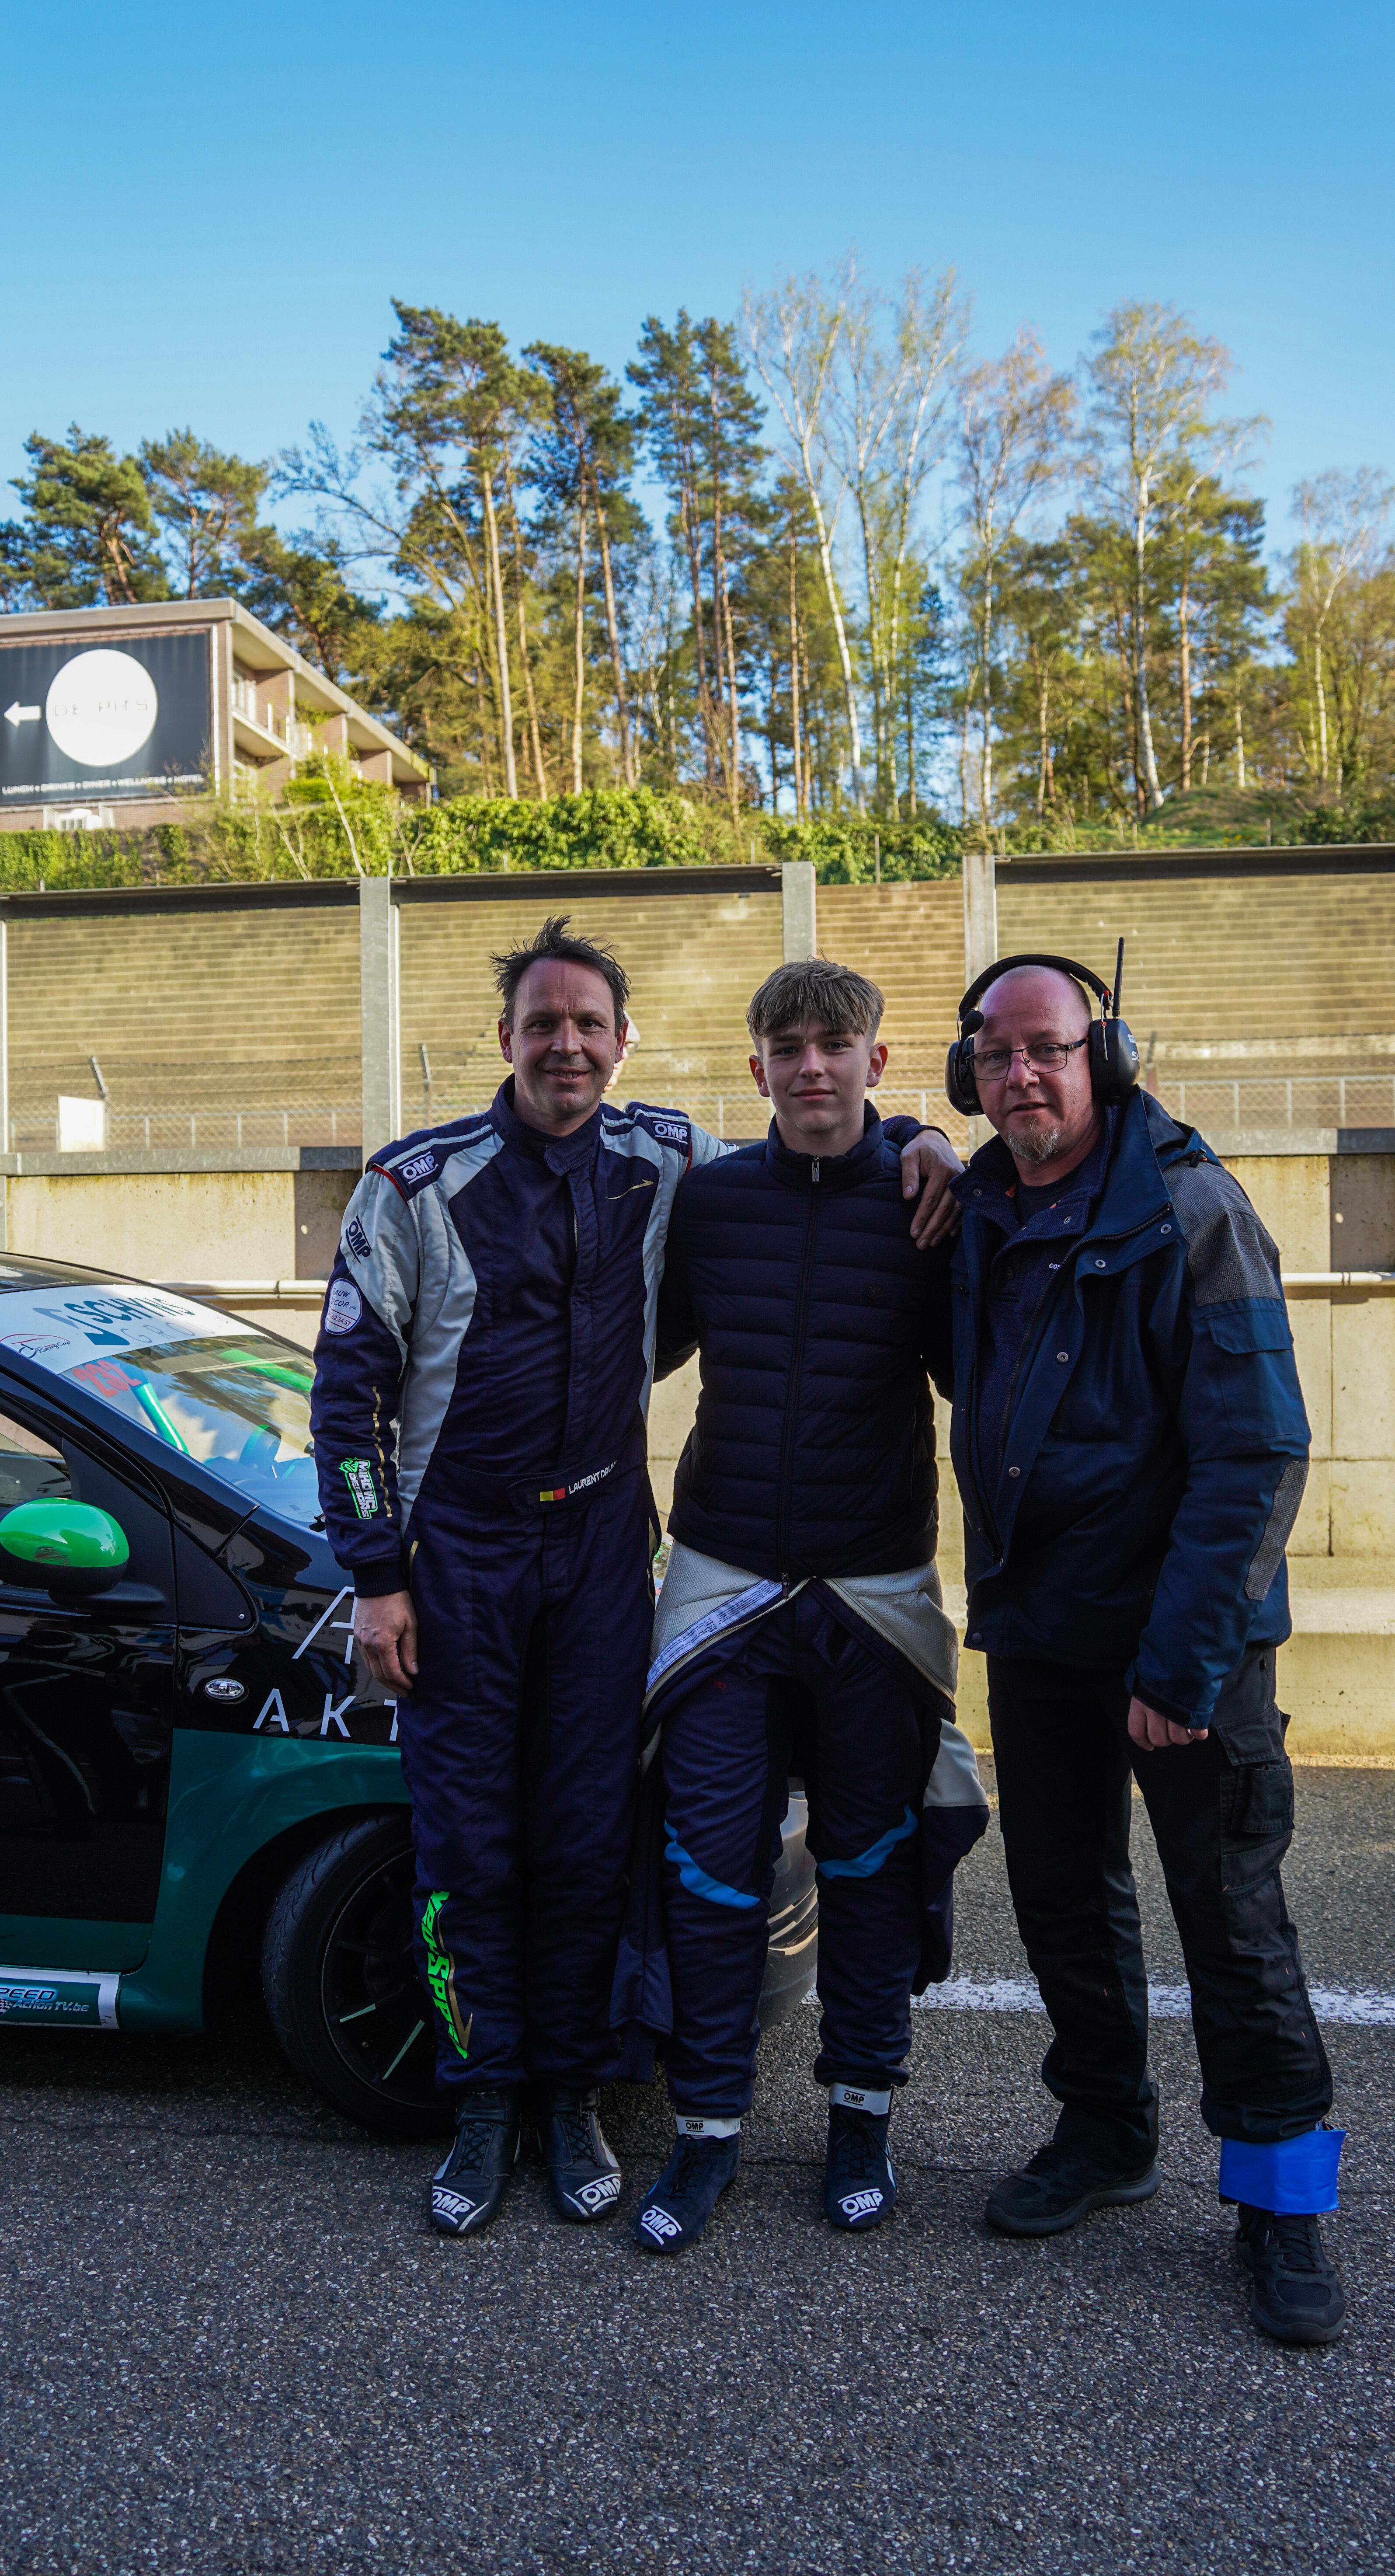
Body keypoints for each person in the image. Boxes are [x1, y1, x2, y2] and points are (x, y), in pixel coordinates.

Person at [309, 916, 961, 2238]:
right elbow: (345, 1396)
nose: (567, 1045)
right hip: (462, 1558)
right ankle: (483, 2102)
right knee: (466, 1845)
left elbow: (818, 1137)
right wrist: (379, 1579)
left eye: (589, 1025)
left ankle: (573, 2095)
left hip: (608, 1547)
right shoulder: (412, 1182)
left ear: (624, 1042)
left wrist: (925, 1137)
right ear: (504, 1039)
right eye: (542, 1024)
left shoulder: (669, 1159)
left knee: (589, 1840)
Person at [945, 952, 1345, 2347]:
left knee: (1230, 1919)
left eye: (1047, 1049)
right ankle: (1107, 2130)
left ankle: (1284, 2205)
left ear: (1102, 1059)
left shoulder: (1192, 1208)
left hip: (1184, 1646)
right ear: (969, 1076)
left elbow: (1258, 1451)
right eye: (996, 1055)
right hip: (1040, 1628)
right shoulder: (979, 1207)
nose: (1022, 1075)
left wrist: (1180, 1666)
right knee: (1062, 1896)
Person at [622, 958, 988, 2257]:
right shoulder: (712, 1203)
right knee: (710, 1867)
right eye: (788, 1047)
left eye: (836, 1044)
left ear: (877, 1062)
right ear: (759, 1066)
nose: (812, 1066)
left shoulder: (933, 1203)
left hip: (874, 1594)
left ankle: (862, 2118)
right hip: (724, 1587)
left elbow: (988, 1386)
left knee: (871, 1867)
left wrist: (934, 1146)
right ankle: (707, 2126)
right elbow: (623, 1354)